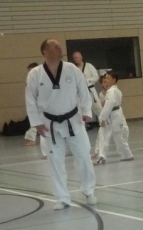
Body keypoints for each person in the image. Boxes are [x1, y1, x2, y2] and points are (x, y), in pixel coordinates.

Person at [25, 38, 97, 210]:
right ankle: (63, 198)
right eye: (55, 47)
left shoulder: (71, 69)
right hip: (49, 123)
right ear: (45, 52)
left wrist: (87, 112)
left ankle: (89, 190)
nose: (59, 48)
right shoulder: (35, 74)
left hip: (74, 120)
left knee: (83, 156)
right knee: (55, 162)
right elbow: (30, 100)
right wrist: (36, 123)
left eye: (59, 46)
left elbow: (83, 91)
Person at [93, 71, 133, 164]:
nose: (106, 80)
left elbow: (109, 105)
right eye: (105, 78)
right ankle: (125, 154)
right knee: (110, 136)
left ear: (114, 80)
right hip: (115, 115)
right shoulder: (115, 90)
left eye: (108, 78)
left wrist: (102, 118)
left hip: (112, 115)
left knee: (115, 137)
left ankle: (125, 155)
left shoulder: (112, 91)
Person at [71, 51, 100, 131]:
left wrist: (85, 81)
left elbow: (96, 77)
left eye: (77, 57)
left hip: (90, 90)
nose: (75, 59)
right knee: (81, 110)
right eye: (74, 58)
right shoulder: (73, 68)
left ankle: (104, 123)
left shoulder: (89, 66)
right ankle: (82, 127)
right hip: (79, 93)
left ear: (81, 57)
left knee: (97, 108)